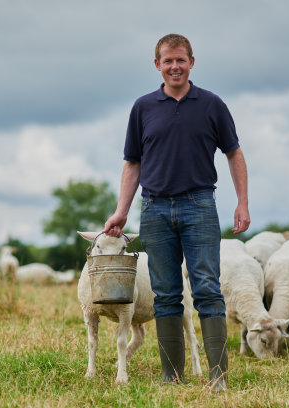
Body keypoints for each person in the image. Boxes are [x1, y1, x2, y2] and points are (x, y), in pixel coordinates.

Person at [103, 33, 250, 391]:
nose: (174, 67)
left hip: (200, 205)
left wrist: (242, 201)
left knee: (207, 289)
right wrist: (122, 211)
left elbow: (234, 153)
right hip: (154, 209)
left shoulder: (212, 105)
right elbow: (132, 163)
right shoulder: (143, 108)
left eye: (180, 60)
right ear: (157, 65)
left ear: (192, 62)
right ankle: (171, 376)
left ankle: (218, 377)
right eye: (167, 61)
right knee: (165, 293)